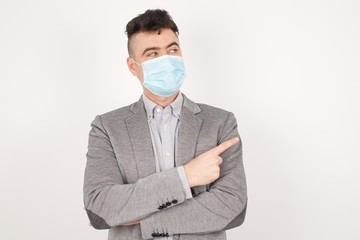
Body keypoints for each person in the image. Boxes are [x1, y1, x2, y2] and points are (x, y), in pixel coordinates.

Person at [83, 9, 247, 240]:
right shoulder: (106, 127)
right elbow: (100, 207)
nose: (167, 60)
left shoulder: (221, 122)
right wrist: (186, 177)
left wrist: (136, 215)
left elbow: (232, 209)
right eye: (152, 54)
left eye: (172, 50)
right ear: (133, 66)